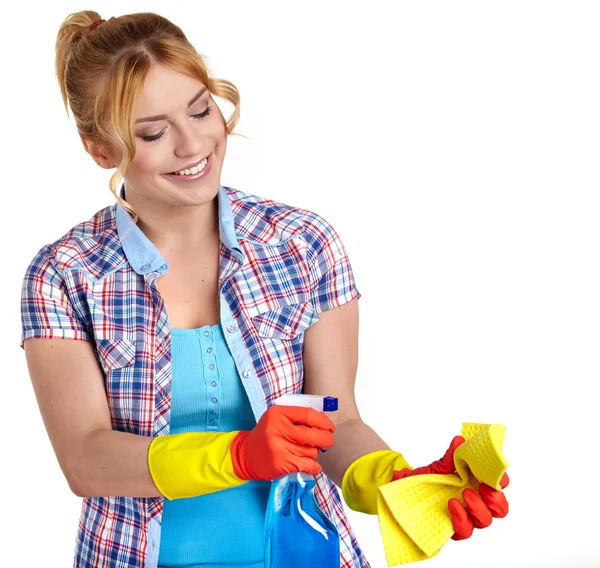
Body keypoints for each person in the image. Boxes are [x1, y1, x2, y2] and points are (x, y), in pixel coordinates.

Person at [20, 10, 509, 568]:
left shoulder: (302, 243)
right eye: (153, 132)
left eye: (202, 110)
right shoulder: (65, 273)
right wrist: (240, 454)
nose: (193, 144)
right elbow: (85, 460)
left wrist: (402, 483)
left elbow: (339, 424)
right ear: (100, 151)